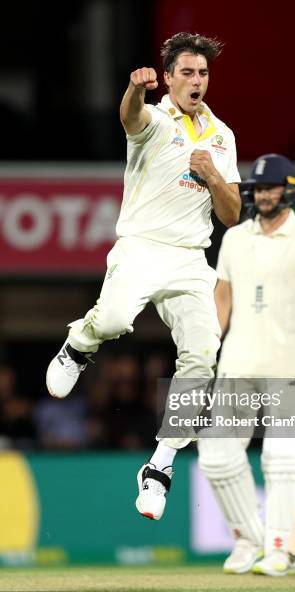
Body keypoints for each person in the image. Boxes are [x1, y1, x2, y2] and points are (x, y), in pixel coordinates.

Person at [46, 32, 241, 519]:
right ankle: (80, 344)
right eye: (187, 73)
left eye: (203, 74)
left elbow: (234, 216)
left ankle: (160, 465)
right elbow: (130, 118)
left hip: (191, 259)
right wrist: (134, 90)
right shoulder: (155, 119)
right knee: (112, 321)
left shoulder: (223, 136)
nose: (197, 81)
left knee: (202, 356)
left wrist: (215, 176)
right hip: (142, 247)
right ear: (170, 78)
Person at [197, 154, 295, 576]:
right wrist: (205, 353)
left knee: (282, 458)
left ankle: (280, 549)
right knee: (215, 454)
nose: (263, 195)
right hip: (237, 362)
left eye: (272, 188)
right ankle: (249, 539)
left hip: (291, 364)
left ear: (290, 189)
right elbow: (222, 301)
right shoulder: (234, 239)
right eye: (258, 188)